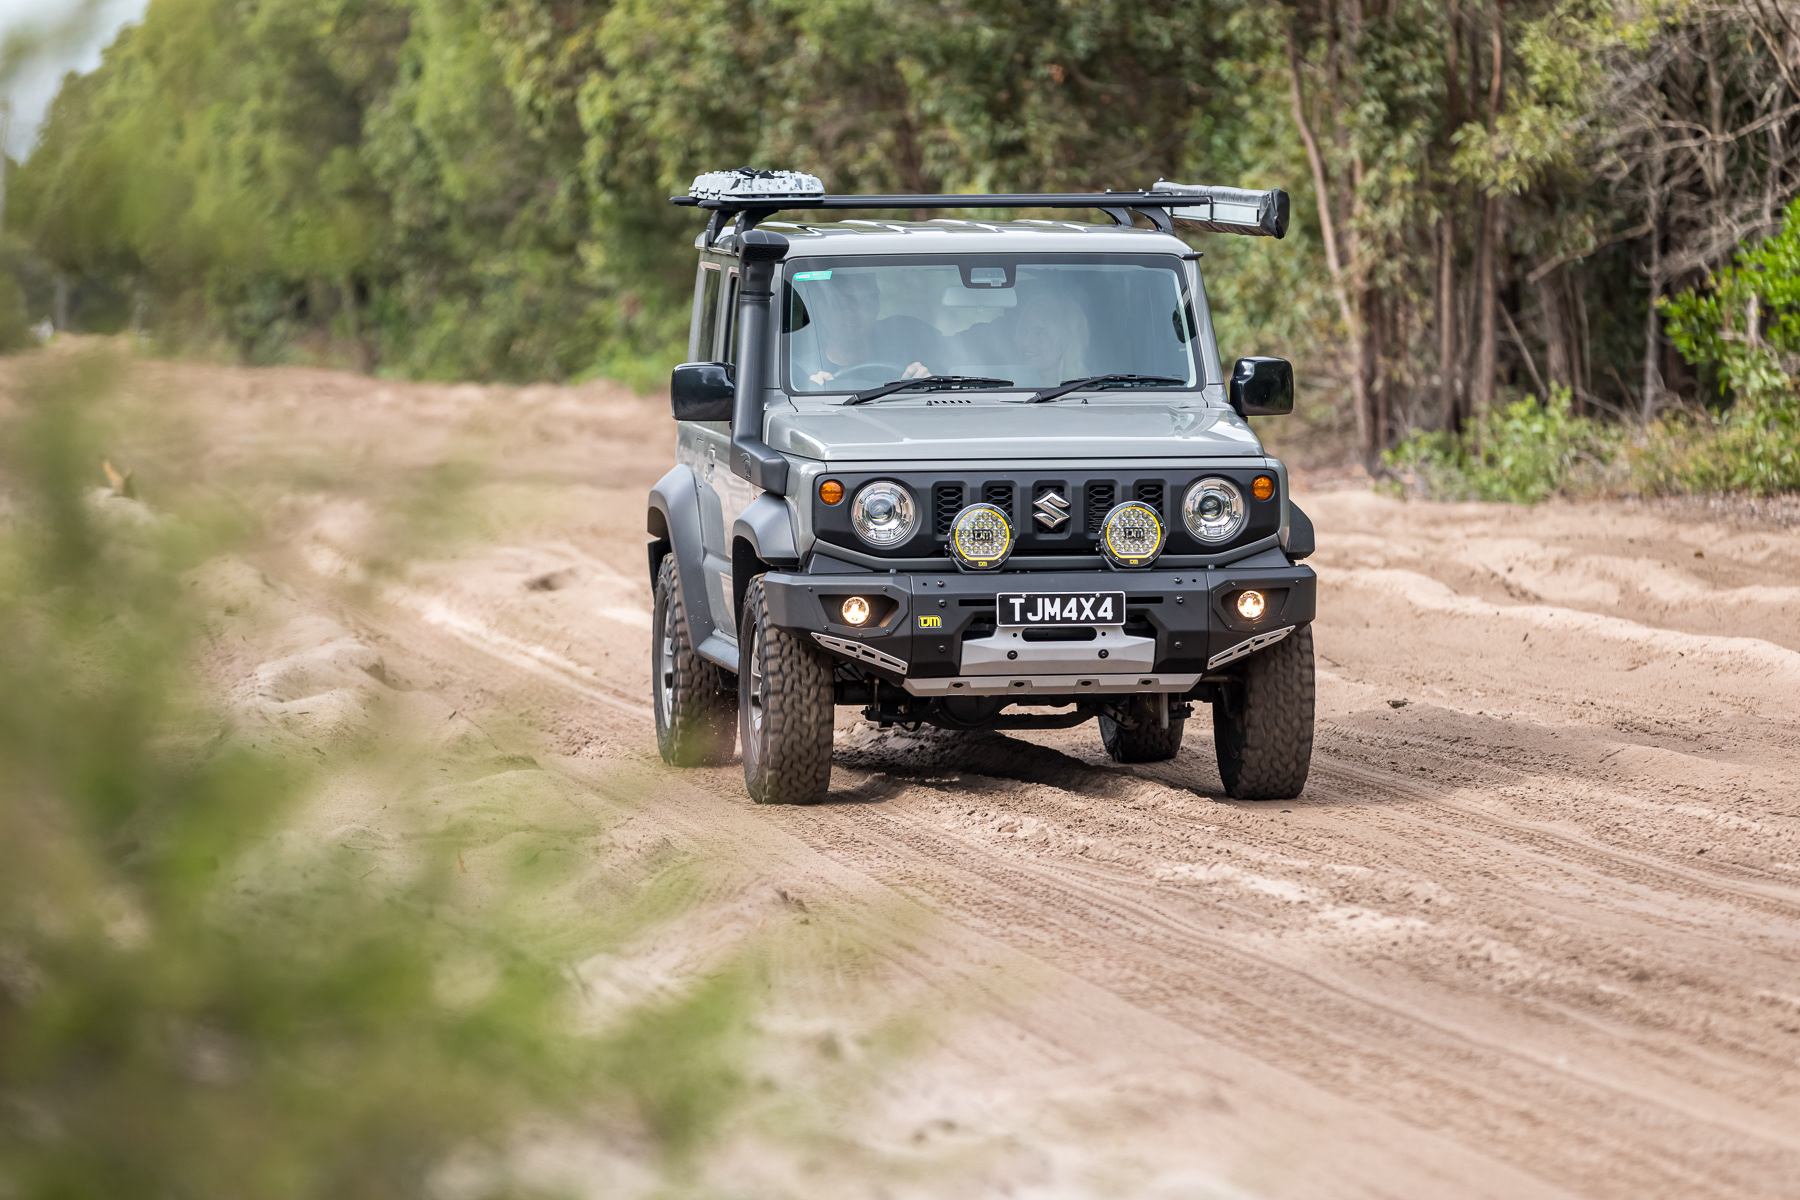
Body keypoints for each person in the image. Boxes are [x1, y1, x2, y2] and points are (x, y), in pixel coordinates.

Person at [796, 272, 934, 386]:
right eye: (842, 303)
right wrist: (812, 393)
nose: (853, 313)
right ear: (822, 311)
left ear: (876, 309)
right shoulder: (798, 374)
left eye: (865, 303)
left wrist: (924, 383)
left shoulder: (903, 362)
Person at [1012, 291, 1090, 386]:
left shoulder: (1092, 394)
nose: (1025, 342)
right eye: (1023, 331)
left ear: (1064, 341)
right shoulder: (1004, 390)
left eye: (1040, 334)